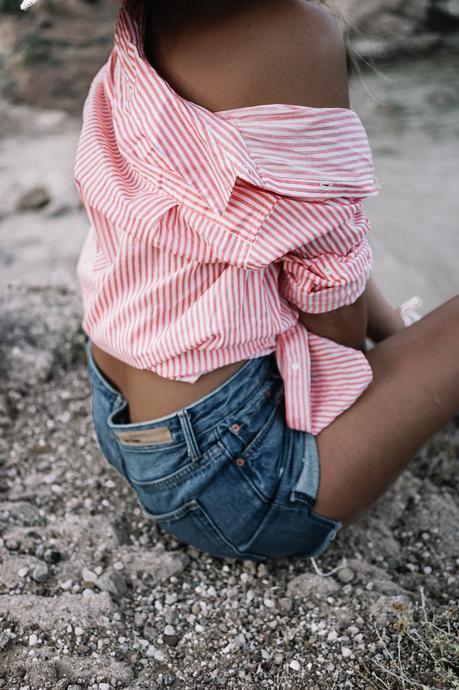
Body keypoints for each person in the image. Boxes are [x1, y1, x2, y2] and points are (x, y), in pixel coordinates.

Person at [71, 0, 459, 561]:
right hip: (235, 482)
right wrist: (390, 384)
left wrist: (397, 334)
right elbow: (331, 303)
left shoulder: (148, 18)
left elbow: (309, 238)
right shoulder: (291, 32)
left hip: (120, 412)